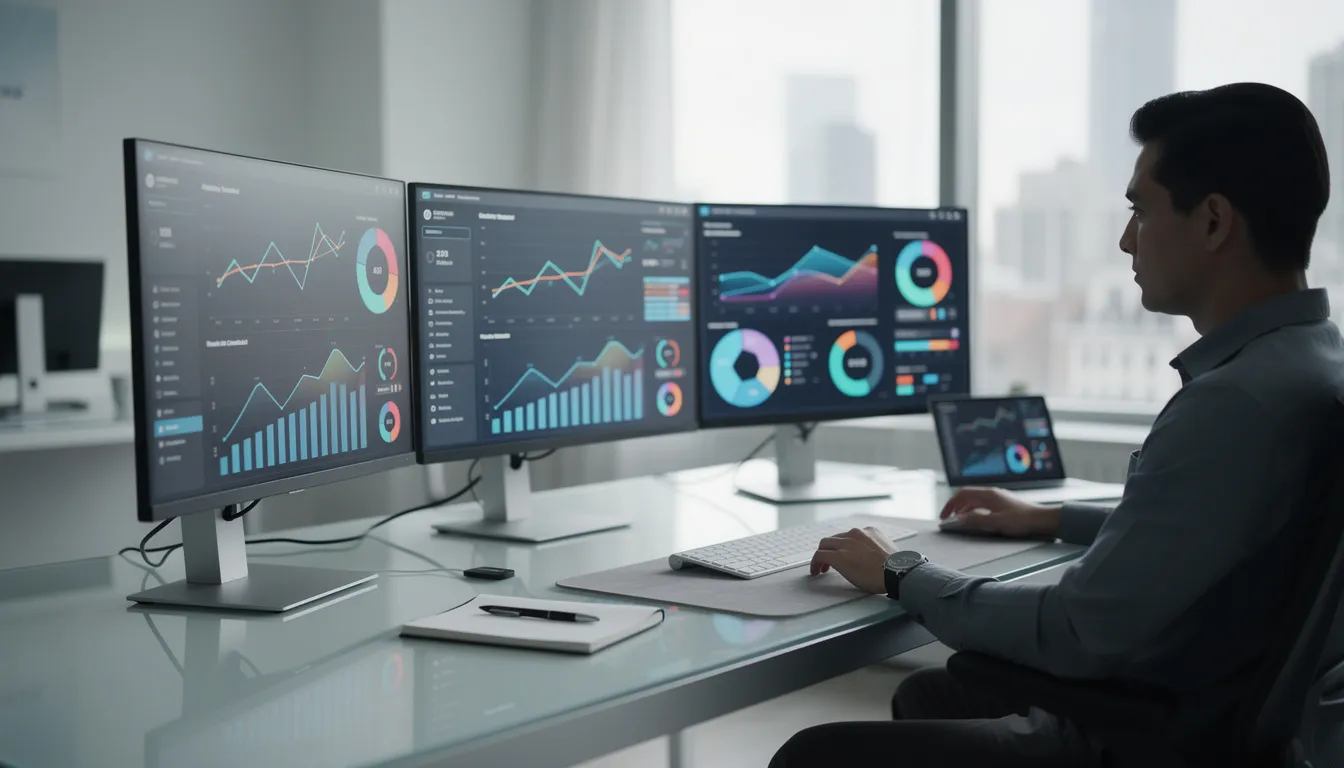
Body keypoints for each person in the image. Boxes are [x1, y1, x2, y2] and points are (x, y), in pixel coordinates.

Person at [771, 82, 1344, 767]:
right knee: (938, 693)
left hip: (1143, 741)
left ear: (1214, 221)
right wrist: (1051, 520)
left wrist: (900, 569)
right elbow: (1210, 533)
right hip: (1213, 719)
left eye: (1140, 210)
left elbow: (1073, 628)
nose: (1126, 238)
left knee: (813, 755)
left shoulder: (1233, 403)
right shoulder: (1311, 362)